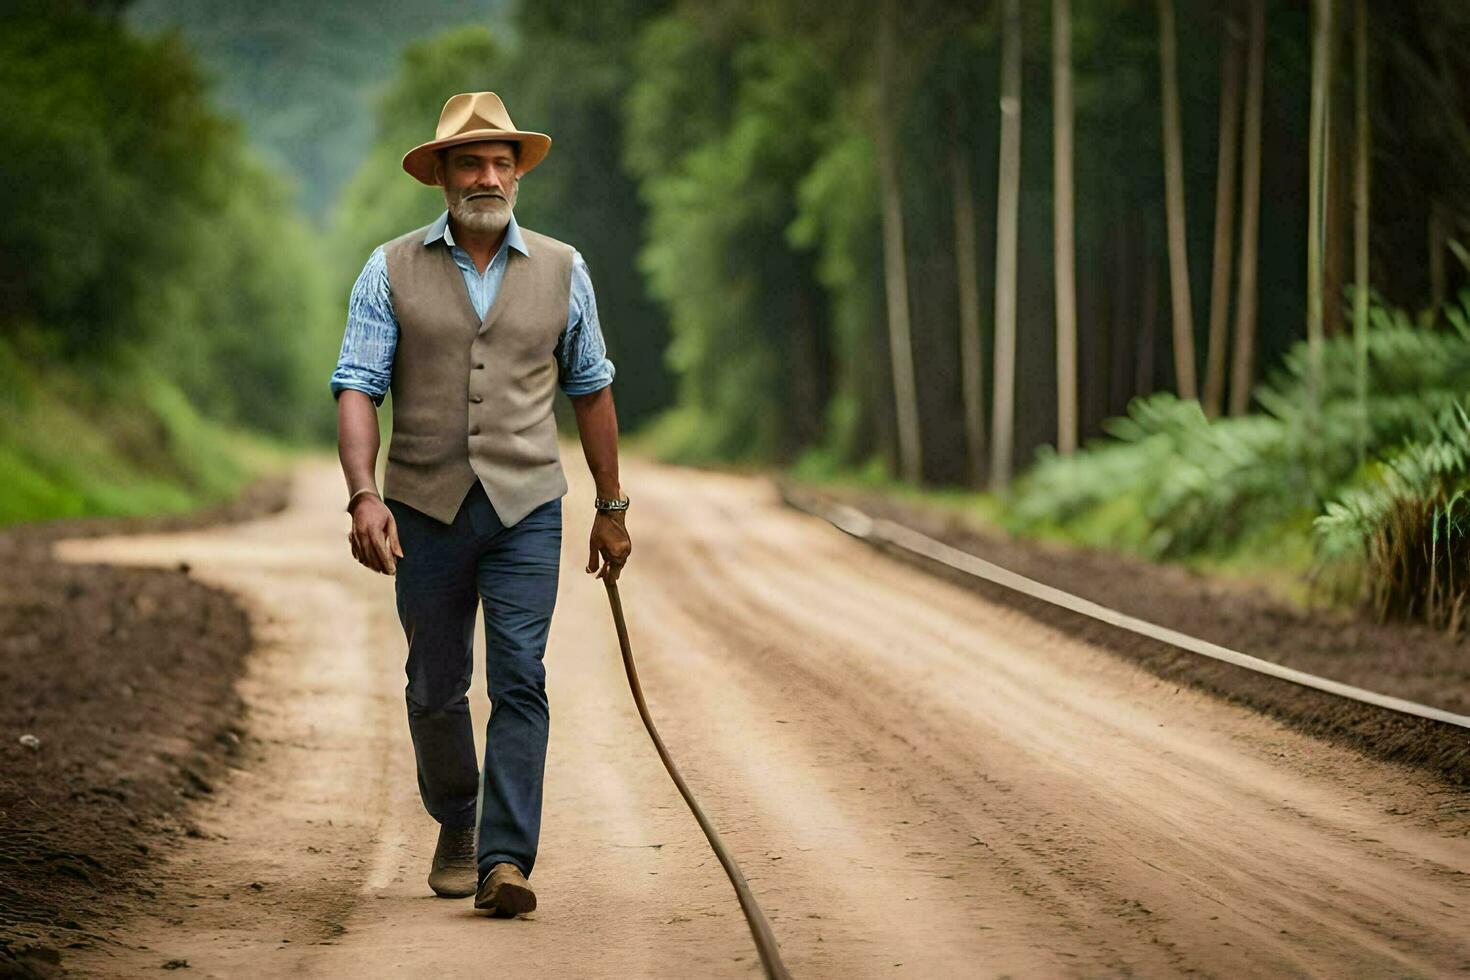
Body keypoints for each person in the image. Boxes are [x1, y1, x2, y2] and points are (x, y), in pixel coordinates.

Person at [329, 91, 632, 918]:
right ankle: (457, 819)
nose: (489, 175)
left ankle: (505, 858)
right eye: (471, 161)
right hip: (421, 506)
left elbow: (592, 388)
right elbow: (358, 386)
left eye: (502, 162)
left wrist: (612, 503)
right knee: (434, 686)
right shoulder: (387, 268)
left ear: (518, 174)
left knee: (520, 676)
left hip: (527, 506)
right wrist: (364, 495)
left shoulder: (566, 270)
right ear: (441, 176)